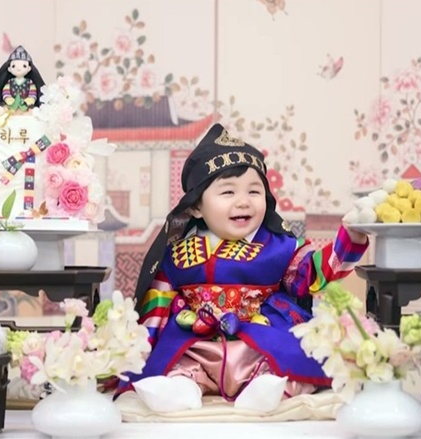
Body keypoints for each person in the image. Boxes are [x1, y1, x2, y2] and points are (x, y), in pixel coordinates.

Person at [115, 123, 369, 412]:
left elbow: (315, 272)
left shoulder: (280, 247)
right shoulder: (176, 253)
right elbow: (156, 306)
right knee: (178, 362)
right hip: (197, 341)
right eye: (228, 192)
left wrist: (351, 237)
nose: (244, 202)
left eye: (254, 191)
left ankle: (265, 388)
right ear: (196, 207)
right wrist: (139, 350)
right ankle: (182, 387)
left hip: (258, 338)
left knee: (284, 360)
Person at [0, 45, 45, 112]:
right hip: (11, 106)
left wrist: (30, 100)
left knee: (33, 111)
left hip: (25, 106)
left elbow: (32, 92)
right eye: (13, 66)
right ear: (9, 69)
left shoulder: (29, 82)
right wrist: (9, 99)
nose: (18, 68)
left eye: (24, 66)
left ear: (29, 68)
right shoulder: (10, 82)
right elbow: (6, 91)